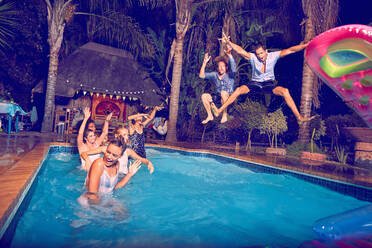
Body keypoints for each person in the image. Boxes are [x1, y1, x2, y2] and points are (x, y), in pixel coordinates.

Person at [212, 33, 314, 123]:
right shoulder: (253, 58)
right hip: (255, 83)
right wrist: (229, 42)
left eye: (261, 53)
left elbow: (291, 50)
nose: (260, 56)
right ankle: (219, 111)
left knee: (285, 91)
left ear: (266, 51)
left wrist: (306, 45)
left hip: (268, 84)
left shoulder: (273, 56)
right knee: (238, 90)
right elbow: (241, 51)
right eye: (258, 54)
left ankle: (299, 117)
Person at [81, 139, 142, 204]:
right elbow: (92, 195)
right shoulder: (99, 164)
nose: (109, 157)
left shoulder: (117, 164)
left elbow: (114, 187)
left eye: (114, 155)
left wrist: (129, 174)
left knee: (124, 212)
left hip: (105, 200)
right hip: (90, 203)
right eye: (108, 152)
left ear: (120, 156)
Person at [81, 125, 154, 175]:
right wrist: (88, 162)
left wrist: (149, 163)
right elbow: (84, 154)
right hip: (111, 178)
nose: (127, 137)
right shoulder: (106, 149)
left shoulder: (128, 151)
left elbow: (141, 159)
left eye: (127, 135)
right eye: (124, 135)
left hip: (124, 177)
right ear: (117, 135)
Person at [199, 44, 236, 124]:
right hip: (219, 99)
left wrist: (229, 54)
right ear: (217, 68)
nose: (221, 68)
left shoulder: (230, 75)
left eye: (223, 66)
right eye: (219, 66)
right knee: (204, 96)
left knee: (223, 92)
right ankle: (210, 115)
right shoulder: (215, 75)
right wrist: (204, 62)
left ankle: (224, 115)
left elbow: (233, 66)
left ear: (226, 67)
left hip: (229, 99)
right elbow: (201, 75)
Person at [77, 107, 112, 171]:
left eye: (93, 135)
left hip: (97, 170)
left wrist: (107, 120)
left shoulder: (96, 143)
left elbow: (104, 132)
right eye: (90, 136)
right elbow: (80, 133)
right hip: (84, 171)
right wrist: (85, 119)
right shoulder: (82, 146)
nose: (93, 137)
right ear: (85, 138)